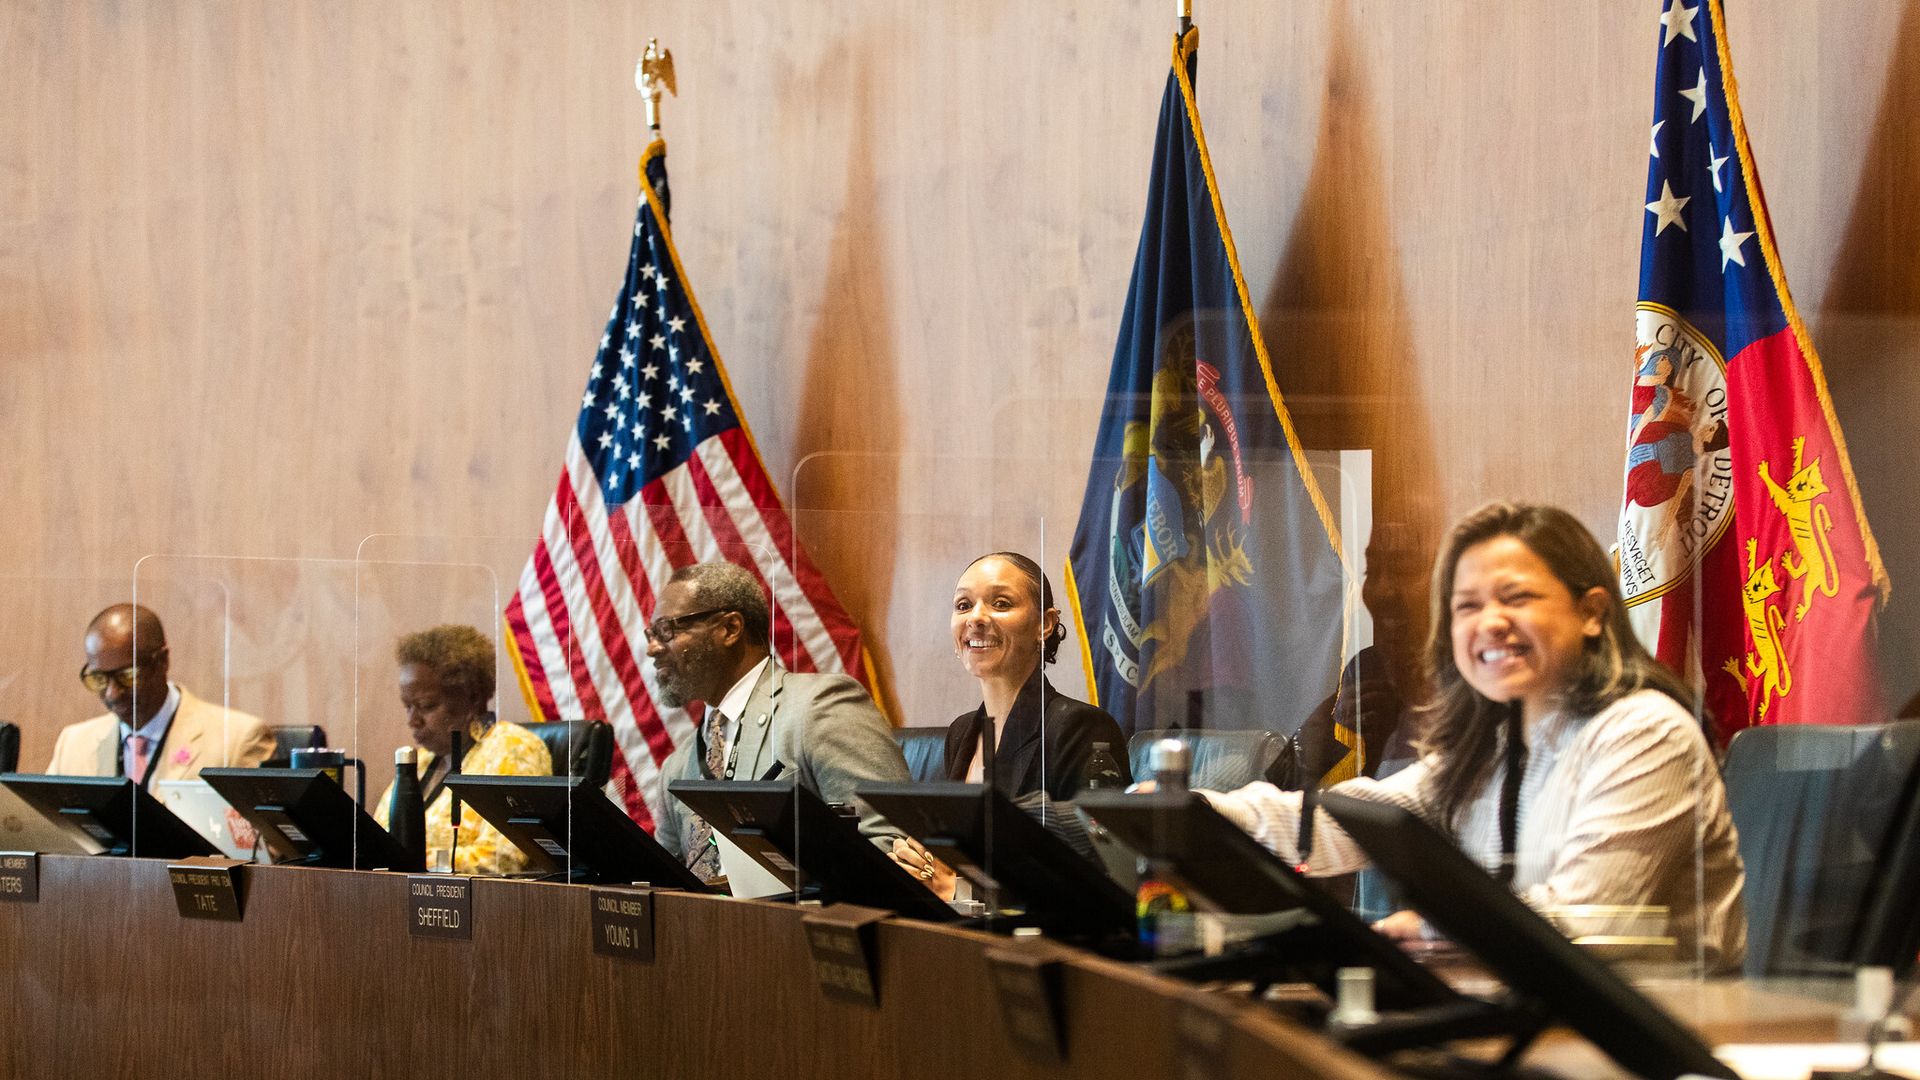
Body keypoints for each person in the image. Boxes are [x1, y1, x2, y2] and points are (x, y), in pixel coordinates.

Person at [1197, 502, 1747, 971]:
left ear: (1592, 613)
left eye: (1517, 598)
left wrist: (1439, 929)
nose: (1489, 622)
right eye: (1467, 606)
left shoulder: (1646, 732)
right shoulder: (1498, 743)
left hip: (1667, 1038)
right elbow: (1346, 822)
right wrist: (1198, 814)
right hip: (1527, 1020)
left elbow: (1587, 914)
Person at [647, 561, 910, 885]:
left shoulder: (820, 706)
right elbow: (663, 886)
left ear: (730, 628)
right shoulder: (677, 768)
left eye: (667, 631)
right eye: (651, 634)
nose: (652, 649)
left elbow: (893, 845)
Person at [890, 551, 1130, 898]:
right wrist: (921, 865)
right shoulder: (961, 732)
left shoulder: (1080, 727)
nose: (976, 618)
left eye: (1000, 603)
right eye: (963, 605)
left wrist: (958, 889)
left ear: (1044, 624)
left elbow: (1101, 873)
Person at [372, 624, 551, 876]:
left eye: (425, 705)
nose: (413, 720)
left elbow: (501, 859)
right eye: (407, 706)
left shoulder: (512, 748)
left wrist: (410, 858)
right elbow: (379, 841)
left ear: (473, 698)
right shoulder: (421, 762)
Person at [49, 603, 275, 783]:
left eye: (128, 675)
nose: (112, 693)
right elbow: (47, 835)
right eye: (98, 679)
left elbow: (258, 839)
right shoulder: (73, 744)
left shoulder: (237, 740)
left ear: (162, 662)